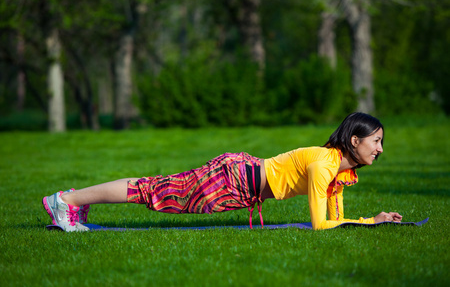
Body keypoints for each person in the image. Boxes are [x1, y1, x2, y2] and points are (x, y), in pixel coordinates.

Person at [42, 112, 402, 232]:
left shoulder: (339, 170)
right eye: (376, 141)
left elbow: (336, 218)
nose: (381, 149)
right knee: (152, 191)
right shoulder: (324, 165)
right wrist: (370, 222)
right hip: (231, 180)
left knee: (152, 190)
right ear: (355, 140)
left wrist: (374, 220)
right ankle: (66, 201)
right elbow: (321, 225)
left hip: (240, 181)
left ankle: (73, 203)